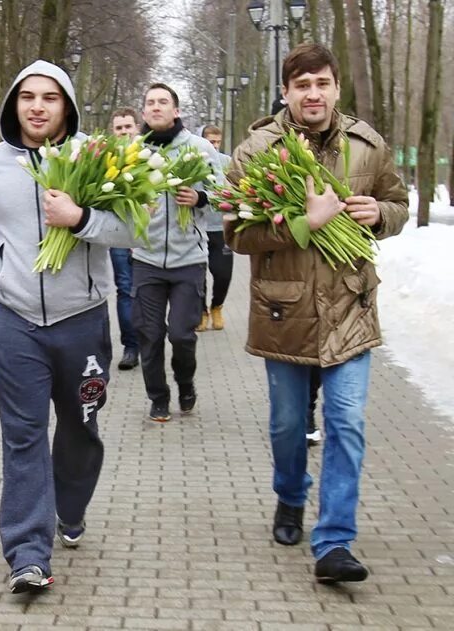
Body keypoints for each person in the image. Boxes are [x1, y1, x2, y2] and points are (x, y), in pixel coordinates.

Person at [0, 60, 140, 594]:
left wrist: (81, 219)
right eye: (27, 96)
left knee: (80, 428)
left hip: (81, 323)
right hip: (15, 322)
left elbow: (129, 233)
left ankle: (70, 507)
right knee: (24, 435)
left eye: (50, 98)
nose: (37, 106)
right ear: (14, 103)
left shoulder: (97, 160)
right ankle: (28, 552)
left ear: (67, 107)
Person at [226, 43, 408, 583]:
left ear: (334, 88)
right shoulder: (259, 150)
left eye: (322, 83)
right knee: (286, 427)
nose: (313, 94)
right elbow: (237, 232)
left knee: (346, 423)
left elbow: (396, 202)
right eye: (301, 85)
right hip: (285, 310)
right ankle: (289, 495)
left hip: (350, 306)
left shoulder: (366, 146)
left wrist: (380, 214)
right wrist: (304, 222)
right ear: (286, 92)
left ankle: (334, 541)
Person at [132, 83, 220, 423]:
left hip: (189, 259)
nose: (156, 107)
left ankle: (185, 383)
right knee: (148, 335)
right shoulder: (134, 151)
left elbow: (223, 191)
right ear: (143, 112)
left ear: (176, 110)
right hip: (146, 258)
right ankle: (158, 397)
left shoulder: (198, 148)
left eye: (163, 102)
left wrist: (199, 199)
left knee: (181, 335)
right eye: (150, 103)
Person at [107, 107, 141, 370]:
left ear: (137, 128)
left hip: (146, 235)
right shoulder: (106, 159)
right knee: (125, 288)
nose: (124, 132)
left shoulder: (147, 156)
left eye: (128, 127)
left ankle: (150, 341)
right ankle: (130, 347)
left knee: (147, 291)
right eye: (119, 128)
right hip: (118, 235)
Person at [196, 125, 234, 332]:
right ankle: (202, 312)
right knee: (198, 275)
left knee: (223, 274)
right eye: (211, 141)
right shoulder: (193, 162)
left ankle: (217, 306)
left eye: (218, 142)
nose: (215, 146)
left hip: (221, 228)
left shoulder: (227, 162)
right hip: (199, 228)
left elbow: (238, 187)